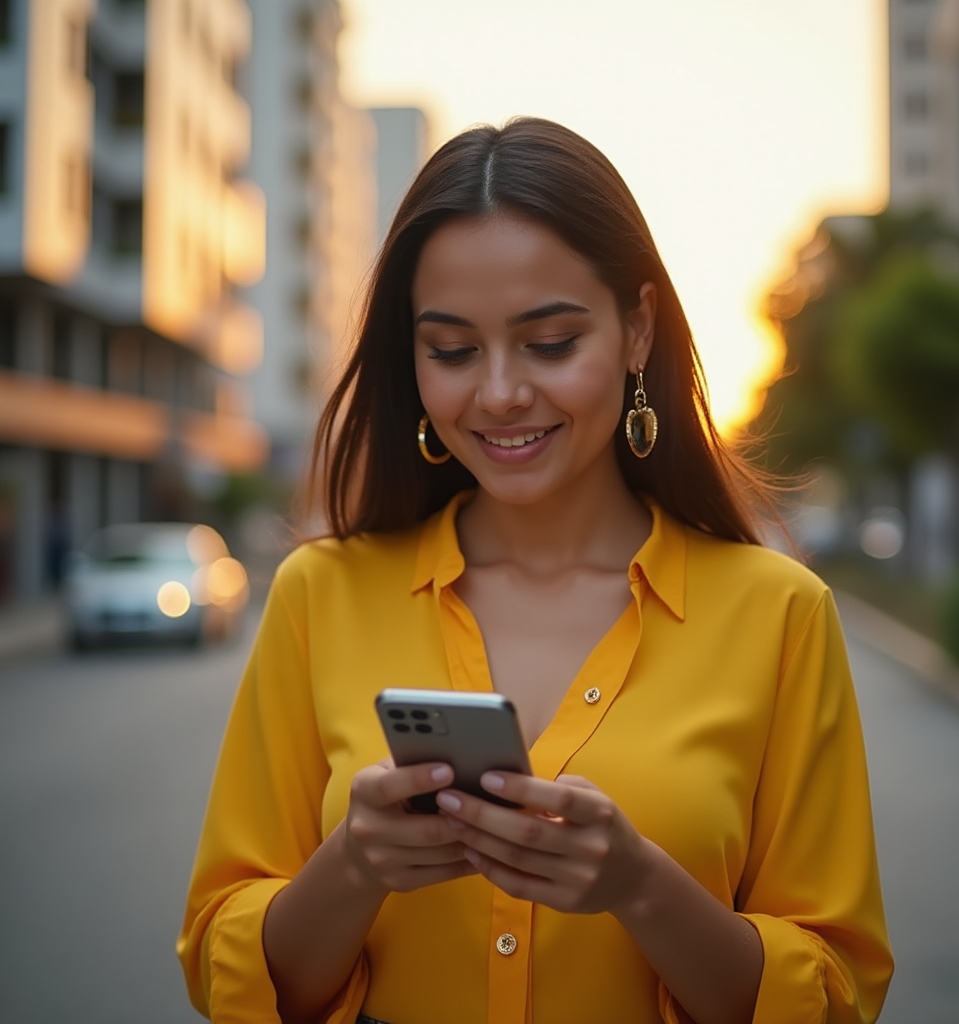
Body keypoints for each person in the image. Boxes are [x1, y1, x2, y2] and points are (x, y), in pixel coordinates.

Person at [178, 118, 893, 1024]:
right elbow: (223, 964)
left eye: (550, 342)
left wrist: (639, 885)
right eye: (451, 349)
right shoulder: (320, 596)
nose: (501, 392)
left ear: (637, 329)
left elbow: (832, 992)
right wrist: (355, 864)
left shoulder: (780, 613)